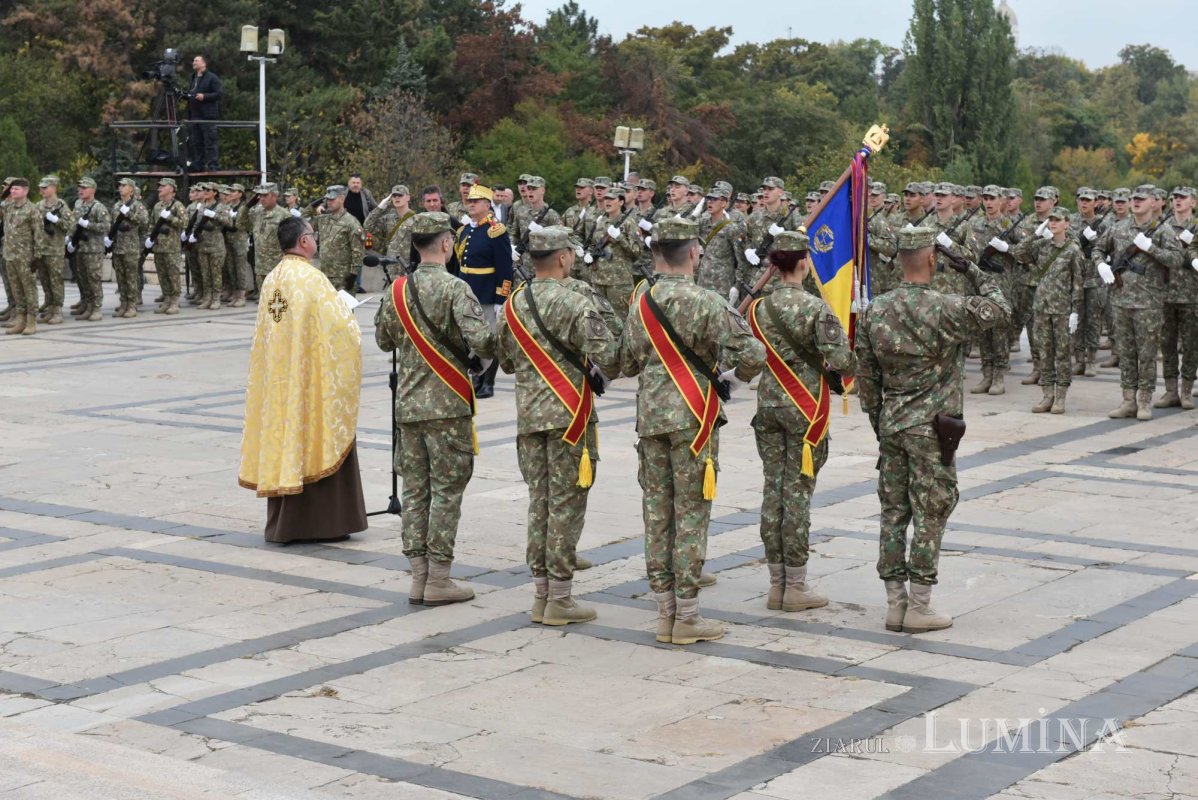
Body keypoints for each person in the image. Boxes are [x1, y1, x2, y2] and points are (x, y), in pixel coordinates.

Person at [855, 226, 1010, 633]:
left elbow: (866, 380)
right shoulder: (946, 307)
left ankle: (895, 604)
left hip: (893, 426)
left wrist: (881, 422)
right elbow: (999, 308)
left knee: (893, 512)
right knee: (932, 510)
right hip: (931, 430)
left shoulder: (874, 310)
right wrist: (974, 269)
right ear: (931, 260)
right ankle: (920, 606)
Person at [620, 217, 766, 645]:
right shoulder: (708, 301)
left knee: (657, 513)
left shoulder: (639, 303)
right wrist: (731, 382)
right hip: (694, 419)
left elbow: (626, 362)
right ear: (695, 253)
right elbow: (753, 352)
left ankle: (665, 610)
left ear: (656, 254)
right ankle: (686, 616)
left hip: (650, 419)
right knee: (690, 515)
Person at [496, 226, 621, 624]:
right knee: (567, 504)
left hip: (530, 416)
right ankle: (561, 600)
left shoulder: (513, 303)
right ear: (564, 258)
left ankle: (541, 594)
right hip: (571, 416)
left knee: (540, 503)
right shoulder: (576, 302)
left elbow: (505, 360)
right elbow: (612, 358)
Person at [375, 212, 497, 605]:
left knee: (414, 491)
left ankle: (418, 577)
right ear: (446, 244)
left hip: (409, 405)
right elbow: (484, 343)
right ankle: (440, 578)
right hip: (448, 406)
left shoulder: (396, 290)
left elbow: (382, 340)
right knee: (446, 491)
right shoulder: (456, 290)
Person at [239, 216, 367, 543]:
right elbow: (339, 330)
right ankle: (319, 523)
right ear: (304, 241)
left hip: (279, 381)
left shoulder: (272, 278)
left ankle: (284, 523)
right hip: (308, 382)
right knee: (315, 436)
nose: (315, 240)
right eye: (312, 235)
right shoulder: (312, 278)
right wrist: (349, 318)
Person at [746, 231, 856, 612]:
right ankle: (796, 584)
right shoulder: (816, 308)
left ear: (774, 267)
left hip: (769, 407)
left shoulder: (756, 309)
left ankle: (775, 584)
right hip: (805, 408)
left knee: (772, 491)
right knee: (797, 495)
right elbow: (842, 359)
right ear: (804, 264)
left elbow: (747, 358)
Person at [1093, 185, 1184, 421]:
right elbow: (1098, 249)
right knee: (1126, 352)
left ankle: (1144, 401)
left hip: (1149, 303)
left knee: (1146, 354)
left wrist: (1150, 248)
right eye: (1134, 198)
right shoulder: (1119, 227)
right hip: (1121, 300)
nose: (1136, 202)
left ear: (1153, 202)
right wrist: (1101, 265)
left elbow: (1176, 260)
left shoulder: (1162, 231)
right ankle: (1128, 400)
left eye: (1141, 199)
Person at [1010, 207, 1085, 414]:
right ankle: (1047, 395)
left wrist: (1075, 311)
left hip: (1062, 310)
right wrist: (1035, 234)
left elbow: (1078, 282)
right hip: (1041, 308)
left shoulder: (1073, 250)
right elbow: (1018, 253)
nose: (1052, 223)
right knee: (1045, 353)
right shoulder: (1042, 246)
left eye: (1057, 220)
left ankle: (1060, 396)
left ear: (1066, 224)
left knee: (1062, 354)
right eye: (1050, 220)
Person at [449, 184, 513, 399]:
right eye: (470, 201)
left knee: (487, 339)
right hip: (467, 291)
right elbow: (460, 265)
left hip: (486, 292)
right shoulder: (465, 230)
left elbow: (505, 268)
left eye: (476, 202)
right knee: (467, 338)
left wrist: (500, 298)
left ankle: (487, 381)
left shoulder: (496, 231)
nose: (471, 204)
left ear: (487, 205)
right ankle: (473, 377)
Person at [969, 184, 1019, 394]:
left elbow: (1024, 252)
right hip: (979, 281)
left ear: (1002, 201)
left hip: (1001, 283)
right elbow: (969, 249)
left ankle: (998, 376)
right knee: (982, 327)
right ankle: (986, 374)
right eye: (986, 198)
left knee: (999, 328)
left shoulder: (1009, 224)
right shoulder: (975, 223)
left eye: (993, 199)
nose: (988, 203)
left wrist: (1006, 248)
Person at [1156, 187, 1198, 410]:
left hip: (1192, 293)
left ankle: (1186, 390)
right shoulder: (1162, 227)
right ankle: (1171, 390)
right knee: (1167, 344)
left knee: (1191, 345)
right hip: (1166, 293)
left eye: (1183, 198)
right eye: (1175, 198)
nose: (1177, 201)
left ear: (1194, 202)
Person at [587, 184, 641, 310]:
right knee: (600, 319)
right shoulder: (600, 222)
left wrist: (620, 238)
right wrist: (589, 253)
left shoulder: (629, 223)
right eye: (606, 199)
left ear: (621, 202)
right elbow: (593, 244)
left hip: (619, 282)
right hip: (598, 280)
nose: (607, 202)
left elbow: (637, 252)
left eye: (612, 199)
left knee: (620, 320)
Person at [68, 177, 111, 322]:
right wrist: (69, 237)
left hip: (93, 249)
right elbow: (73, 223)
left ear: (93, 190)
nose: (81, 190)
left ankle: (96, 308)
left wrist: (89, 225)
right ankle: (88, 306)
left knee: (93, 279)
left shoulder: (99, 207)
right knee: (83, 279)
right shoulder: (78, 204)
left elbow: (106, 227)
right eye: (80, 188)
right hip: (80, 248)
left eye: (84, 188)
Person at [696, 184, 749, 302]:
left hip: (722, 286)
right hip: (702, 282)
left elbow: (741, 260)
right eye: (708, 199)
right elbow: (684, 229)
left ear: (724, 203)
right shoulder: (703, 223)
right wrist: (694, 214)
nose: (710, 202)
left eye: (715, 199)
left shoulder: (732, 229)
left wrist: (737, 286)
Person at [1, 179, 40, 336]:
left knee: (29, 289)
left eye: (16, 189)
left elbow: (38, 235)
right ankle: (20, 320)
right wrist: (5, 192)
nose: (12, 191)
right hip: (10, 255)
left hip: (25, 257)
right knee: (16, 289)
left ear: (25, 191)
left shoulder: (32, 210)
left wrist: (37, 256)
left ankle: (31, 321)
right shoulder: (9, 208)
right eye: (11, 189)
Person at [32, 175, 72, 325]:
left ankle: (58, 311)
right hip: (41, 249)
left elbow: (70, 225)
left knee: (56, 281)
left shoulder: (61, 205)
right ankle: (49, 307)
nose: (41, 190)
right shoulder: (38, 206)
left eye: (45, 187)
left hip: (55, 250)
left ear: (54, 187)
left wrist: (57, 221)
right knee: (45, 280)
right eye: (41, 187)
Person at [145, 178, 187, 315]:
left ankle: (174, 301)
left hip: (172, 247)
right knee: (162, 274)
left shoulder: (177, 206)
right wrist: (149, 237)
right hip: (159, 246)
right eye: (159, 186)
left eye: (163, 186)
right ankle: (167, 299)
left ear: (172, 189)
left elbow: (184, 223)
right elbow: (152, 223)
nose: (160, 188)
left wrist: (170, 218)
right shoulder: (157, 206)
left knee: (173, 274)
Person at [313, 185, 366, 292]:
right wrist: (314, 206)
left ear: (342, 199)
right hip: (325, 276)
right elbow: (303, 220)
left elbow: (358, 251)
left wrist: (353, 275)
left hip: (343, 279)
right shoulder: (323, 219)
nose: (329, 202)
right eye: (327, 199)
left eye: (332, 199)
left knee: (344, 308)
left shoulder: (351, 222)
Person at [189, 182, 232, 310]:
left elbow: (229, 223)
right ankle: (207, 298)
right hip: (202, 244)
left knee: (216, 273)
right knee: (205, 273)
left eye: (209, 189)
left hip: (216, 245)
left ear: (215, 192)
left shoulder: (221, 207)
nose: (206, 191)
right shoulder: (201, 206)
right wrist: (192, 235)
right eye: (204, 189)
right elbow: (197, 223)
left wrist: (215, 216)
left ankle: (216, 299)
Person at [248, 183, 289, 291]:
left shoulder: (284, 215)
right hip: (260, 266)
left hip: (276, 267)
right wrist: (247, 206)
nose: (261, 199)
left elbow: (290, 242)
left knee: (278, 300)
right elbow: (240, 224)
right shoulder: (256, 212)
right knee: (264, 300)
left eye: (265, 195)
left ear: (275, 196)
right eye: (260, 196)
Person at [186, 55, 222, 170]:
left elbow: (219, 93)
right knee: (196, 142)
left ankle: (213, 165)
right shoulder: (193, 78)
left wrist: (204, 96)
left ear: (204, 64)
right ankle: (198, 164)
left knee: (210, 142)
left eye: (196, 61)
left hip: (207, 116)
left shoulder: (212, 78)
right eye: (193, 61)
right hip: (194, 116)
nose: (194, 62)